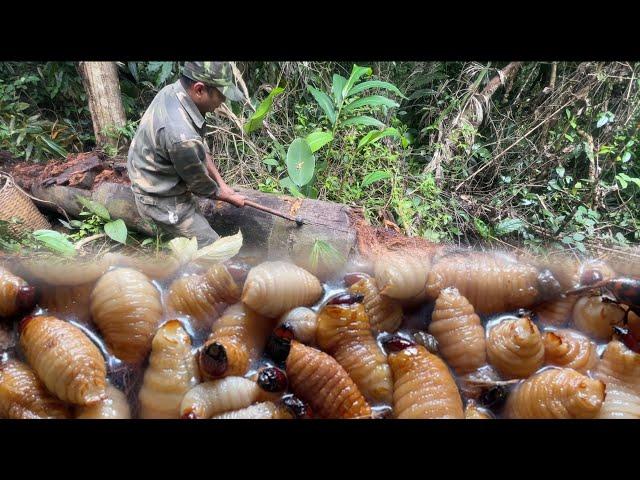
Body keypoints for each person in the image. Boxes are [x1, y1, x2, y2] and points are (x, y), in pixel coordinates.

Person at [126, 61, 246, 246]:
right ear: (199, 90)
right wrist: (228, 196)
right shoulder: (181, 136)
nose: (223, 102)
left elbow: (199, 150)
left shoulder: (174, 91)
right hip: (158, 197)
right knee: (215, 250)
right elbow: (201, 186)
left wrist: (222, 184)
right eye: (221, 96)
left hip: (155, 173)